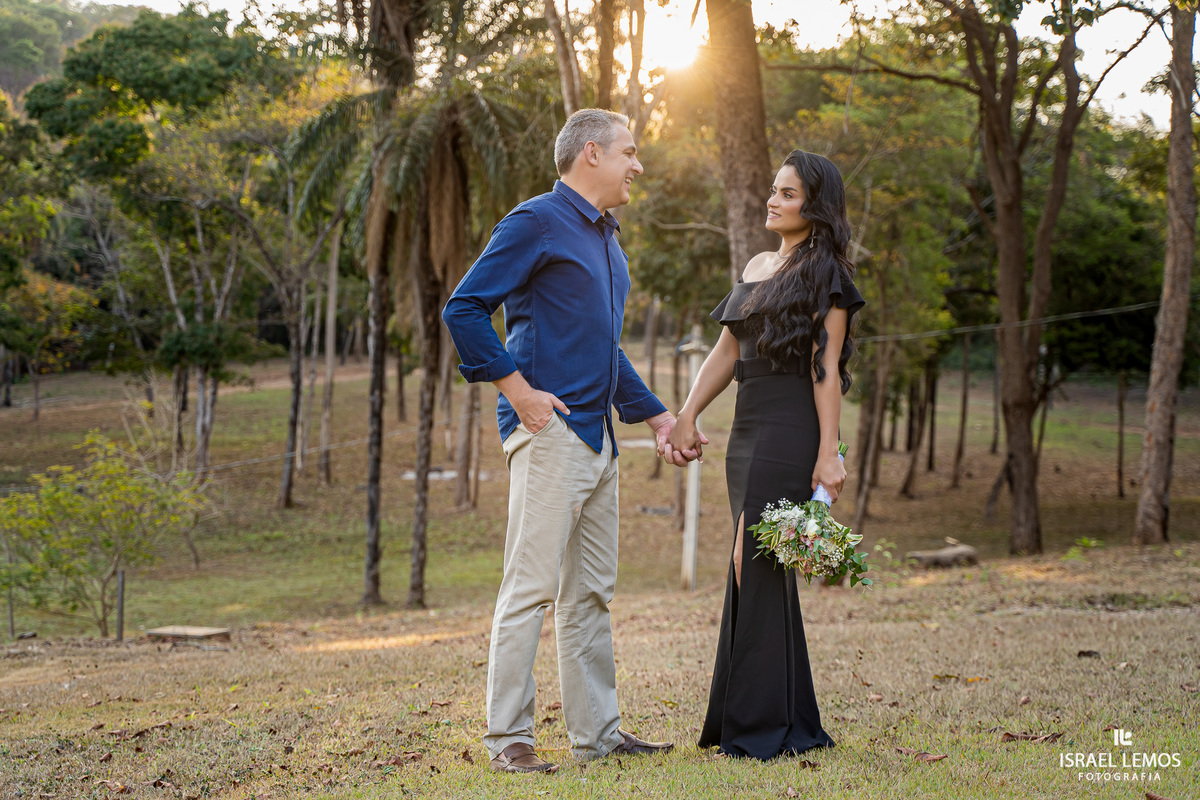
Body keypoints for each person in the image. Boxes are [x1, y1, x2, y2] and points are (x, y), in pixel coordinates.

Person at [442, 109, 681, 774]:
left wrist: (656, 416)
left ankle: (598, 734)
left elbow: (603, 349)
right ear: (593, 153)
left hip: (598, 439)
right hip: (548, 434)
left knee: (591, 594)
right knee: (530, 588)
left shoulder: (608, 240)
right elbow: (463, 308)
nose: (638, 166)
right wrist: (517, 392)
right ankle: (510, 739)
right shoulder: (535, 221)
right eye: (630, 153)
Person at [665, 150, 865, 760]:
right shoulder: (756, 265)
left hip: (790, 426)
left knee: (752, 560)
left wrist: (828, 453)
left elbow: (824, 367)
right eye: (774, 191)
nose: (773, 201)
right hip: (747, 428)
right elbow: (727, 351)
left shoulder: (827, 273)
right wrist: (687, 413)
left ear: (816, 205)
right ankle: (775, 718)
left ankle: (755, 727)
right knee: (754, 564)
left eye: (787, 193)